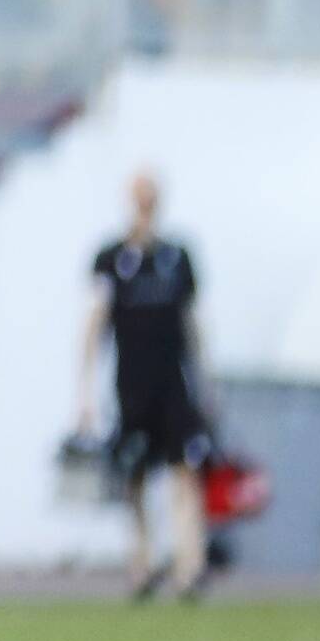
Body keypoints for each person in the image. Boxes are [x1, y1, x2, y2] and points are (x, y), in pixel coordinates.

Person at [80, 172, 210, 602]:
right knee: (134, 475)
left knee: (184, 473)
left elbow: (193, 325)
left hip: (173, 384)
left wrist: (206, 385)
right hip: (132, 387)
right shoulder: (113, 259)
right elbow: (94, 327)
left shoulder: (177, 258)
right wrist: (83, 393)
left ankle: (189, 568)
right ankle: (143, 564)